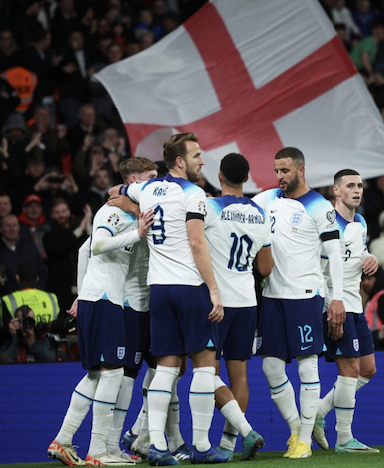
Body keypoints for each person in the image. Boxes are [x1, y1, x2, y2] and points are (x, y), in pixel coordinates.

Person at [119, 132, 229, 465]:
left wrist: (136, 209)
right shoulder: (194, 194)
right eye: (196, 155)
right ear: (179, 161)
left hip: (160, 289)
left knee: (166, 369)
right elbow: (197, 243)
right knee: (204, 367)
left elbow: (114, 192)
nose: (202, 161)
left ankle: (157, 447)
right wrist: (213, 290)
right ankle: (201, 446)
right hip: (189, 286)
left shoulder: (148, 188)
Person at [48, 158, 156, 467]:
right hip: (106, 299)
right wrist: (137, 234)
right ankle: (98, 450)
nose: (152, 184)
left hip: (102, 297)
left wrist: (82, 294)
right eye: (148, 178)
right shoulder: (111, 211)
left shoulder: (126, 212)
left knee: (97, 373)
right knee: (113, 373)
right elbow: (97, 246)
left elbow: (84, 250)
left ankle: (63, 439)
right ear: (133, 180)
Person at [251, 147, 343, 459]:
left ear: (300, 171)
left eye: (285, 171)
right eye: (276, 171)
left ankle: (305, 439)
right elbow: (237, 212)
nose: (279, 177)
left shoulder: (318, 205)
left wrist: (337, 298)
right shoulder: (265, 200)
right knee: (271, 367)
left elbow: (334, 255)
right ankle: (296, 428)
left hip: (305, 297)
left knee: (308, 367)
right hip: (272, 297)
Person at [203, 153, 272, 460]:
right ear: (247, 178)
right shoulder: (261, 213)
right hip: (247, 300)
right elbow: (266, 268)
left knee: (205, 371)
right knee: (240, 374)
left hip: (217, 301)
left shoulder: (209, 207)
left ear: (219, 176)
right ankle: (229, 445)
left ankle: (245, 431)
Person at [313, 169, 380, 453]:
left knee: (367, 369)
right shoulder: (327, 224)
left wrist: (369, 257)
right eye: (350, 185)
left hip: (356, 304)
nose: (357, 190)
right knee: (350, 369)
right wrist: (329, 304)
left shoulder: (361, 222)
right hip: (334, 305)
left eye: (360, 186)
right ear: (336, 191)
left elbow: (357, 251)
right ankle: (344, 438)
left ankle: (316, 412)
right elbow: (319, 265)